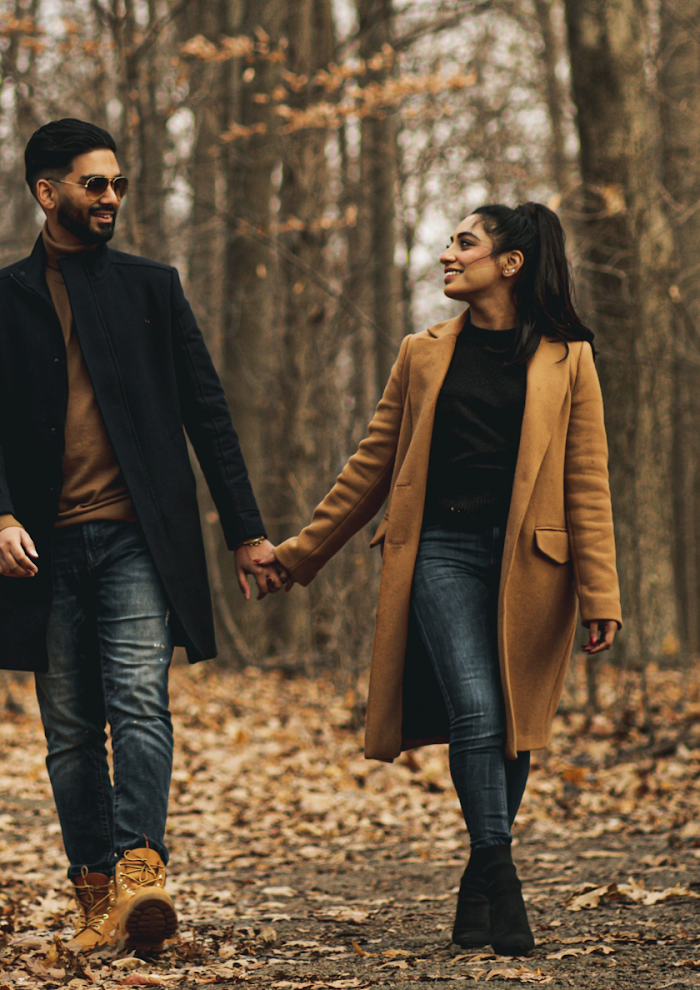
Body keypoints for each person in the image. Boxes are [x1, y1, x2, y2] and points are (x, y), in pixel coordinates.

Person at [250, 202, 622, 957]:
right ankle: (502, 873)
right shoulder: (422, 353)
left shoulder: (567, 357)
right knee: (479, 711)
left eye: (465, 243)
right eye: (451, 242)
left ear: (509, 263)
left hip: (535, 566)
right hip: (441, 551)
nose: (448, 254)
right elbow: (371, 466)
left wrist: (602, 590)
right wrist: (299, 553)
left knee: (514, 728)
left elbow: (587, 480)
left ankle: (476, 882)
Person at [0, 119, 280, 954]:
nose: (110, 199)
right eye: (95, 184)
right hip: (42, 547)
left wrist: (246, 531)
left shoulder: (151, 287)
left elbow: (207, 413)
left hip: (139, 538)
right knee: (68, 728)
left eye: (118, 185)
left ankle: (142, 871)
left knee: (139, 699)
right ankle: (96, 897)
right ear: (46, 191)